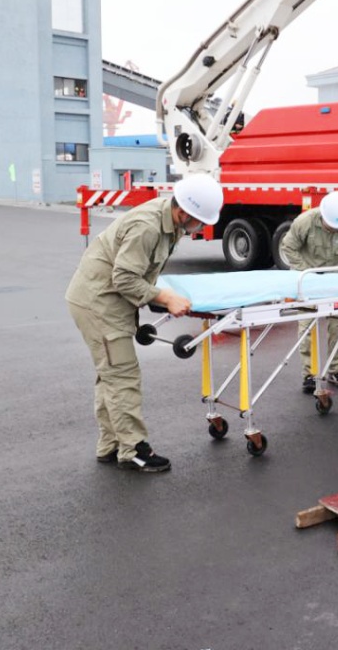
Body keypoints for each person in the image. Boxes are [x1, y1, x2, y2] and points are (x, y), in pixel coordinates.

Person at [65, 174, 224, 473]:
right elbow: (124, 278)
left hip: (106, 299)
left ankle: (111, 444)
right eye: (200, 221)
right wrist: (165, 297)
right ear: (184, 213)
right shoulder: (148, 227)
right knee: (122, 375)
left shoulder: (171, 223)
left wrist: (157, 295)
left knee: (111, 374)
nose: (201, 227)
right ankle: (134, 450)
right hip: (98, 302)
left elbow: (139, 272)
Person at [280, 191, 338, 393]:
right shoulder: (305, 221)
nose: (334, 230)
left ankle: (336, 370)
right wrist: (306, 271)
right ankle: (309, 374)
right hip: (307, 277)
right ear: (322, 215)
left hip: (335, 276)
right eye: (330, 226)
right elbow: (288, 247)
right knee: (306, 326)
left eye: (337, 228)